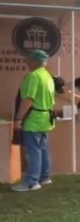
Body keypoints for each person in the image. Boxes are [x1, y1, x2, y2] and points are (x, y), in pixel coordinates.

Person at [11, 50, 56, 192]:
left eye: (29, 61)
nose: (27, 63)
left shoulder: (33, 76)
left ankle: (31, 182)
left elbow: (28, 99)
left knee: (33, 151)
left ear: (36, 62)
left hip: (33, 119)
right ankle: (45, 177)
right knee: (43, 148)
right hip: (45, 118)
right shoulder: (47, 76)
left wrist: (18, 118)